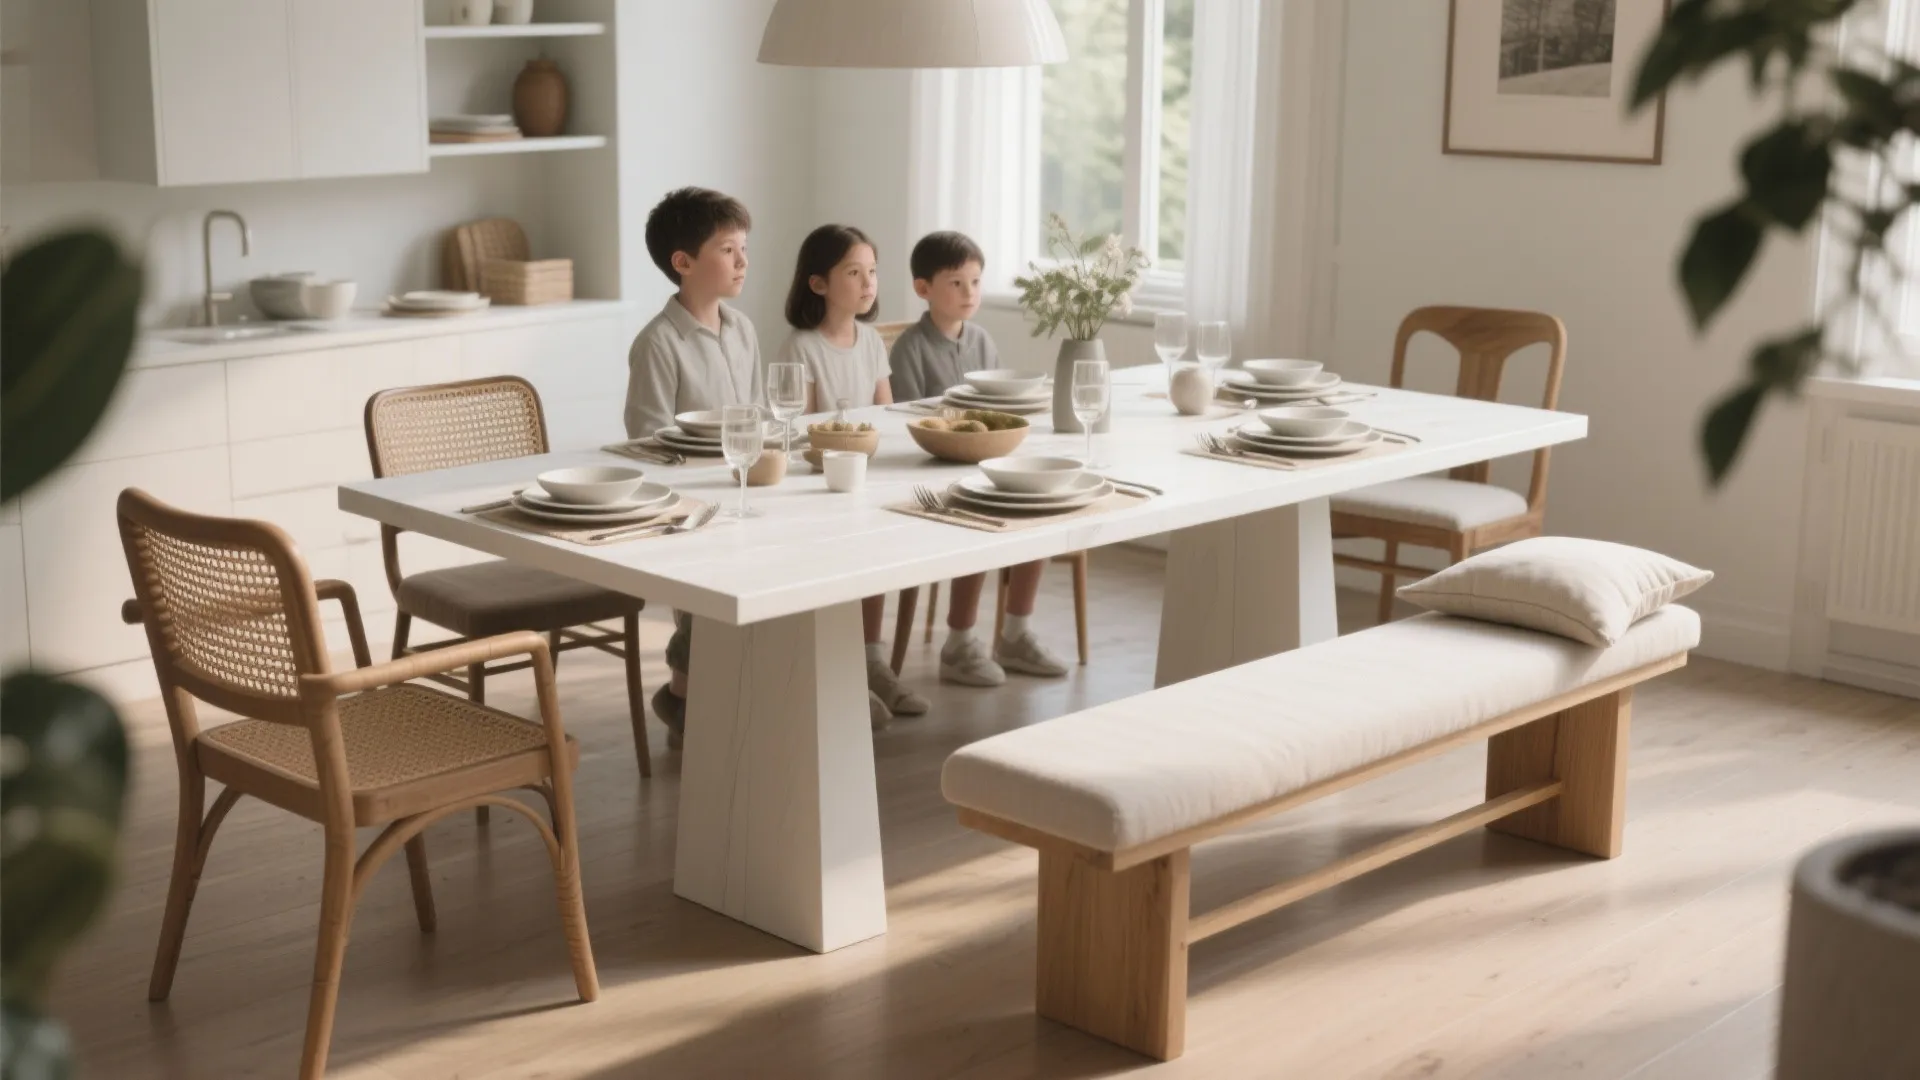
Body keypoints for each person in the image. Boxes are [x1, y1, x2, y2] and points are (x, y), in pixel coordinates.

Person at [888, 231, 1068, 687]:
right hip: (932, 470)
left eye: (975, 282)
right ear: (923, 288)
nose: (969, 293)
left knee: (1037, 510)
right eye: (956, 283)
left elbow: (998, 409)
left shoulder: (983, 340)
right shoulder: (910, 347)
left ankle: (1015, 632)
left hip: (983, 462)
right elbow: (906, 420)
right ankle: (961, 642)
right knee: (981, 517)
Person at [775, 224, 928, 729]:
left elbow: (885, 413)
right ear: (818, 284)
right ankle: (846, 677)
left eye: (873, 272)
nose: (868, 284)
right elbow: (805, 432)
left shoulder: (870, 341)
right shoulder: (802, 346)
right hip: (822, 481)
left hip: (866, 471)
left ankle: (872, 663)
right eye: (853, 273)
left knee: (881, 548)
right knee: (847, 555)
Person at [624, 186, 759, 748]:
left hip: (742, 489)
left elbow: (754, 418)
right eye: (728, 249)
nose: (743, 261)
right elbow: (646, 437)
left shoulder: (743, 329)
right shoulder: (658, 342)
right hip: (690, 504)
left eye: (743, 247)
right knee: (709, 598)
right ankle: (684, 700)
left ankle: (728, 696)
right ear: (683, 263)